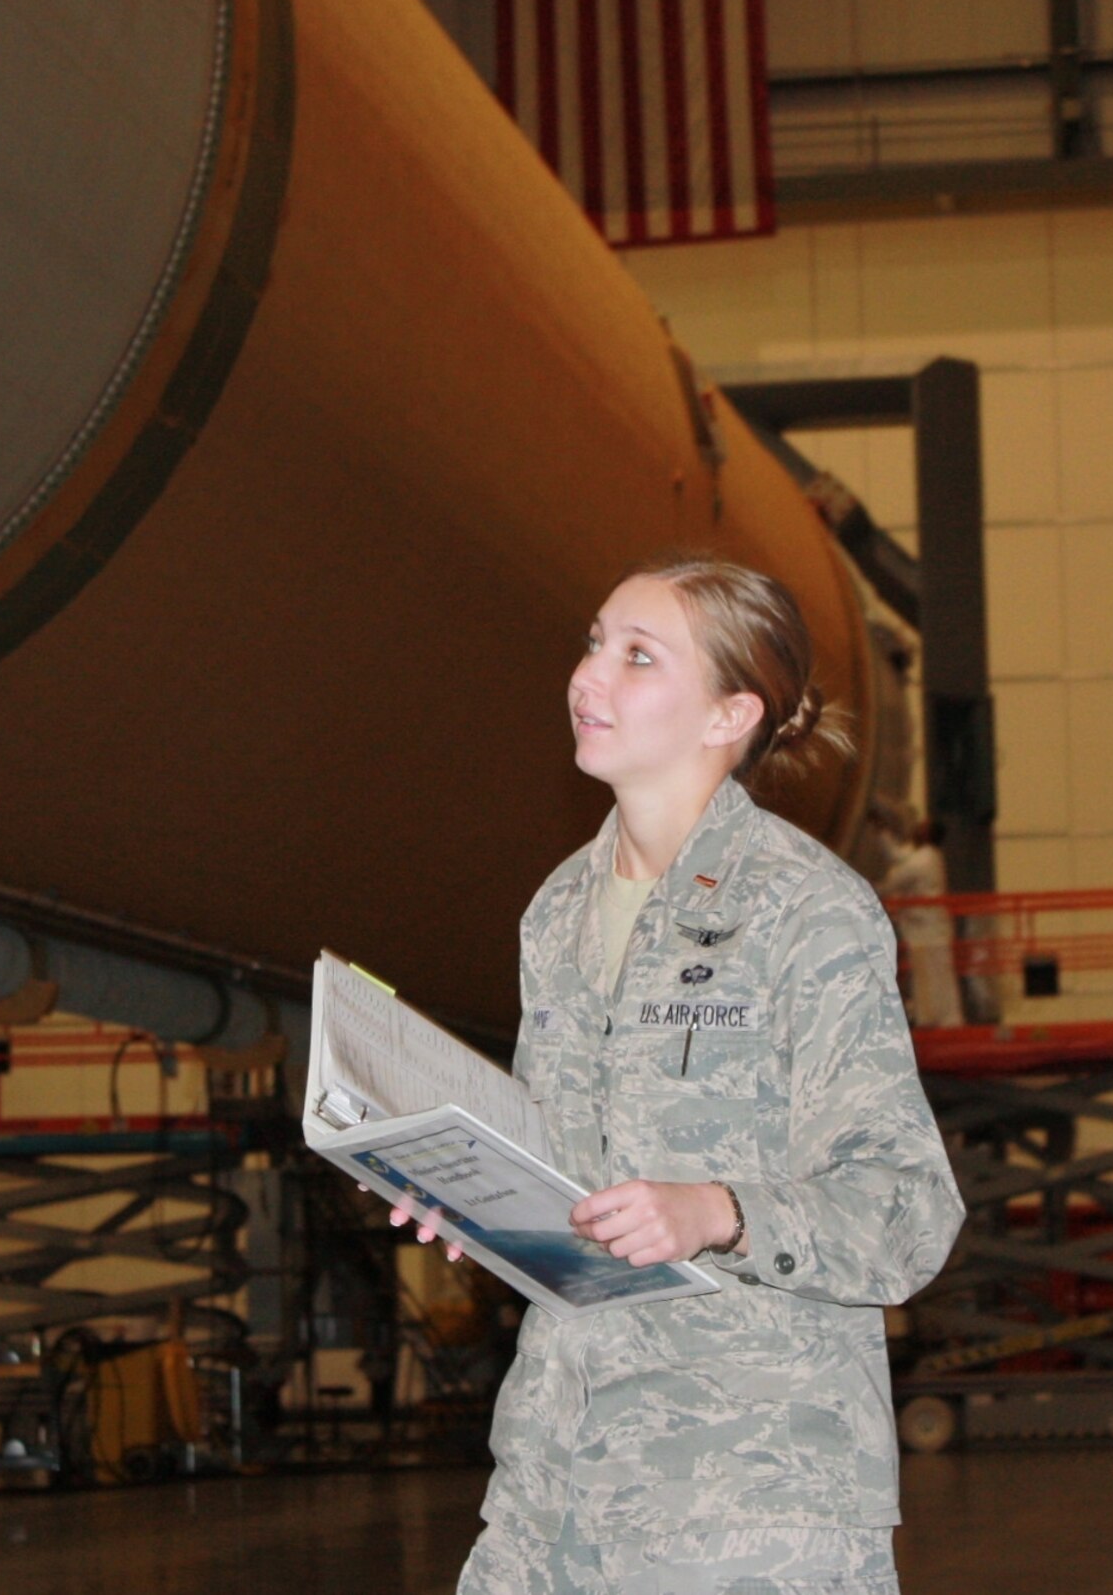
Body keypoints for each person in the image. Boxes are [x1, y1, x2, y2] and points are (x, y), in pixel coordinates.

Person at [455, 555, 964, 1595]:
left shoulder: (805, 911)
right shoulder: (555, 910)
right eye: (594, 640)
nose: (586, 676)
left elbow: (905, 1207)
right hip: (551, 1489)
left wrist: (717, 1209)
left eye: (636, 656)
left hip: (746, 1498)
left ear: (729, 713)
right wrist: (465, 1197)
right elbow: (565, 1181)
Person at [878, 817, 964, 1028]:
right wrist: (881, 834)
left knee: (933, 977)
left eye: (921, 827)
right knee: (930, 977)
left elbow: (894, 881)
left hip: (929, 931)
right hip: (926, 929)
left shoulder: (923, 861)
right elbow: (900, 856)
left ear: (927, 835)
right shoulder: (927, 857)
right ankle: (938, 1019)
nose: (916, 828)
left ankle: (940, 1021)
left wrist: (865, 888)